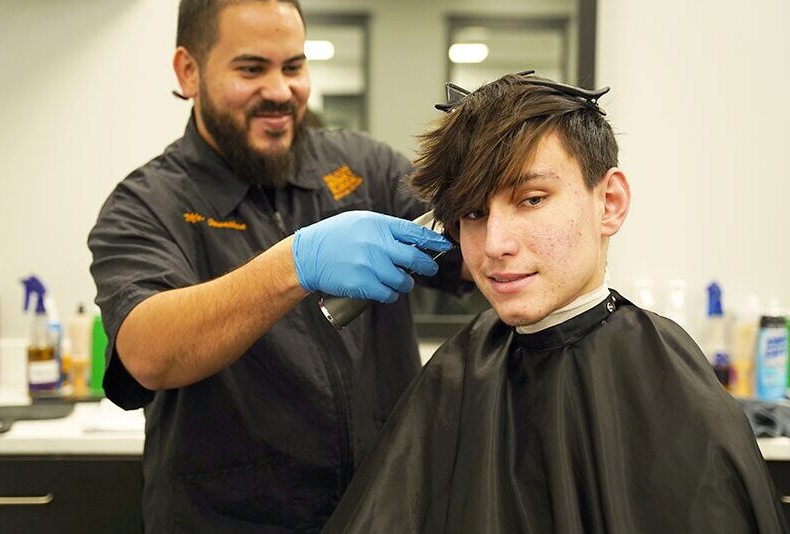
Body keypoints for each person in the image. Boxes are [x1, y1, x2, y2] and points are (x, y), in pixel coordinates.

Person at [322, 72, 788, 533]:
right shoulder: (458, 373)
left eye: (531, 200)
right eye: (474, 212)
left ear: (609, 202)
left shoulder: (671, 386)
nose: (495, 244)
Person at [87, 1, 466, 532]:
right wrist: (294, 264)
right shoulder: (146, 204)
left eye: (293, 66)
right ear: (188, 71)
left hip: (380, 514)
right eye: (251, 68)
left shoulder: (365, 170)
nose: (280, 90)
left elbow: (471, 259)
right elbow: (146, 351)